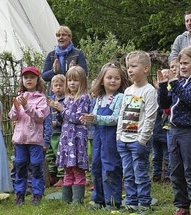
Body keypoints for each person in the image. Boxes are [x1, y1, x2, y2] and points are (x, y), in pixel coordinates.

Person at [158, 46, 191, 215]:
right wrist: (162, 86)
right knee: (176, 171)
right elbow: (165, 105)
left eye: (186, 63)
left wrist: (174, 83)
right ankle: (182, 205)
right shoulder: (179, 82)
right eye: (180, 63)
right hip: (174, 131)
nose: (182, 66)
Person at [82, 61, 129, 210]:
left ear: (121, 81)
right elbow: (95, 116)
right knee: (96, 167)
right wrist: (88, 119)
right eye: (109, 77)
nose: (113, 81)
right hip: (98, 138)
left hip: (111, 139)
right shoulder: (99, 98)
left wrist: (96, 118)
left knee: (111, 168)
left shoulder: (120, 97)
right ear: (102, 80)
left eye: (117, 78)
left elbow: (116, 118)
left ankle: (113, 201)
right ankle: (98, 199)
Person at [117, 51, 158, 214]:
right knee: (127, 174)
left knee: (140, 173)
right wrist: (118, 136)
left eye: (134, 66)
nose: (130, 70)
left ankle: (144, 204)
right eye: (128, 67)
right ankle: (131, 202)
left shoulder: (149, 91)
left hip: (138, 142)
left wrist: (142, 140)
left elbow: (150, 117)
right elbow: (122, 114)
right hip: (124, 140)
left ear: (146, 68)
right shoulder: (127, 91)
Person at [47, 66, 91, 204]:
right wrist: (56, 111)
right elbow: (62, 120)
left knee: (77, 169)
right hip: (66, 139)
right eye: (70, 80)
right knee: (68, 169)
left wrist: (62, 110)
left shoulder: (84, 98)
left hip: (77, 139)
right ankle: (66, 200)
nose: (72, 83)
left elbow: (78, 118)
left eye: (76, 80)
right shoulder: (67, 99)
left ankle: (77, 201)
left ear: (82, 82)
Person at [9, 67, 49, 206]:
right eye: (26, 77)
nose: (29, 80)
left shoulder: (41, 98)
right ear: (22, 80)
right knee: (20, 165)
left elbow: (40, 116)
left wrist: (26, 106)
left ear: (38, 80)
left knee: (36, 166)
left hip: (35, 139)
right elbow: (13, 117)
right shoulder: (20, 96)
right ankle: (19, 194)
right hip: (20, 139)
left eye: (32, 77)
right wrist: (15, 107)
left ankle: (37, 194)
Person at [45, 74, 66, 187]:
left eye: (61, 85)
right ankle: (51, 175)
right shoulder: (49, 100)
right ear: (51, 88)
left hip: (61, 132)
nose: (58, 87)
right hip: (50, 132)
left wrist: (57, 122)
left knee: (60, 154)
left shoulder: (66, 99)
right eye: (55, 85)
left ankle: (62, 176)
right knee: (50, 154)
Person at [151, 69, 170, 184]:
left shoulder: (169, 93)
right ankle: (156, 175)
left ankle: (168, 176)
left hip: (165, 130)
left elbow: (164, 108)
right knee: (156, 156)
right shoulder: (153, 93)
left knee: (167, 156)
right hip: (155, 130)